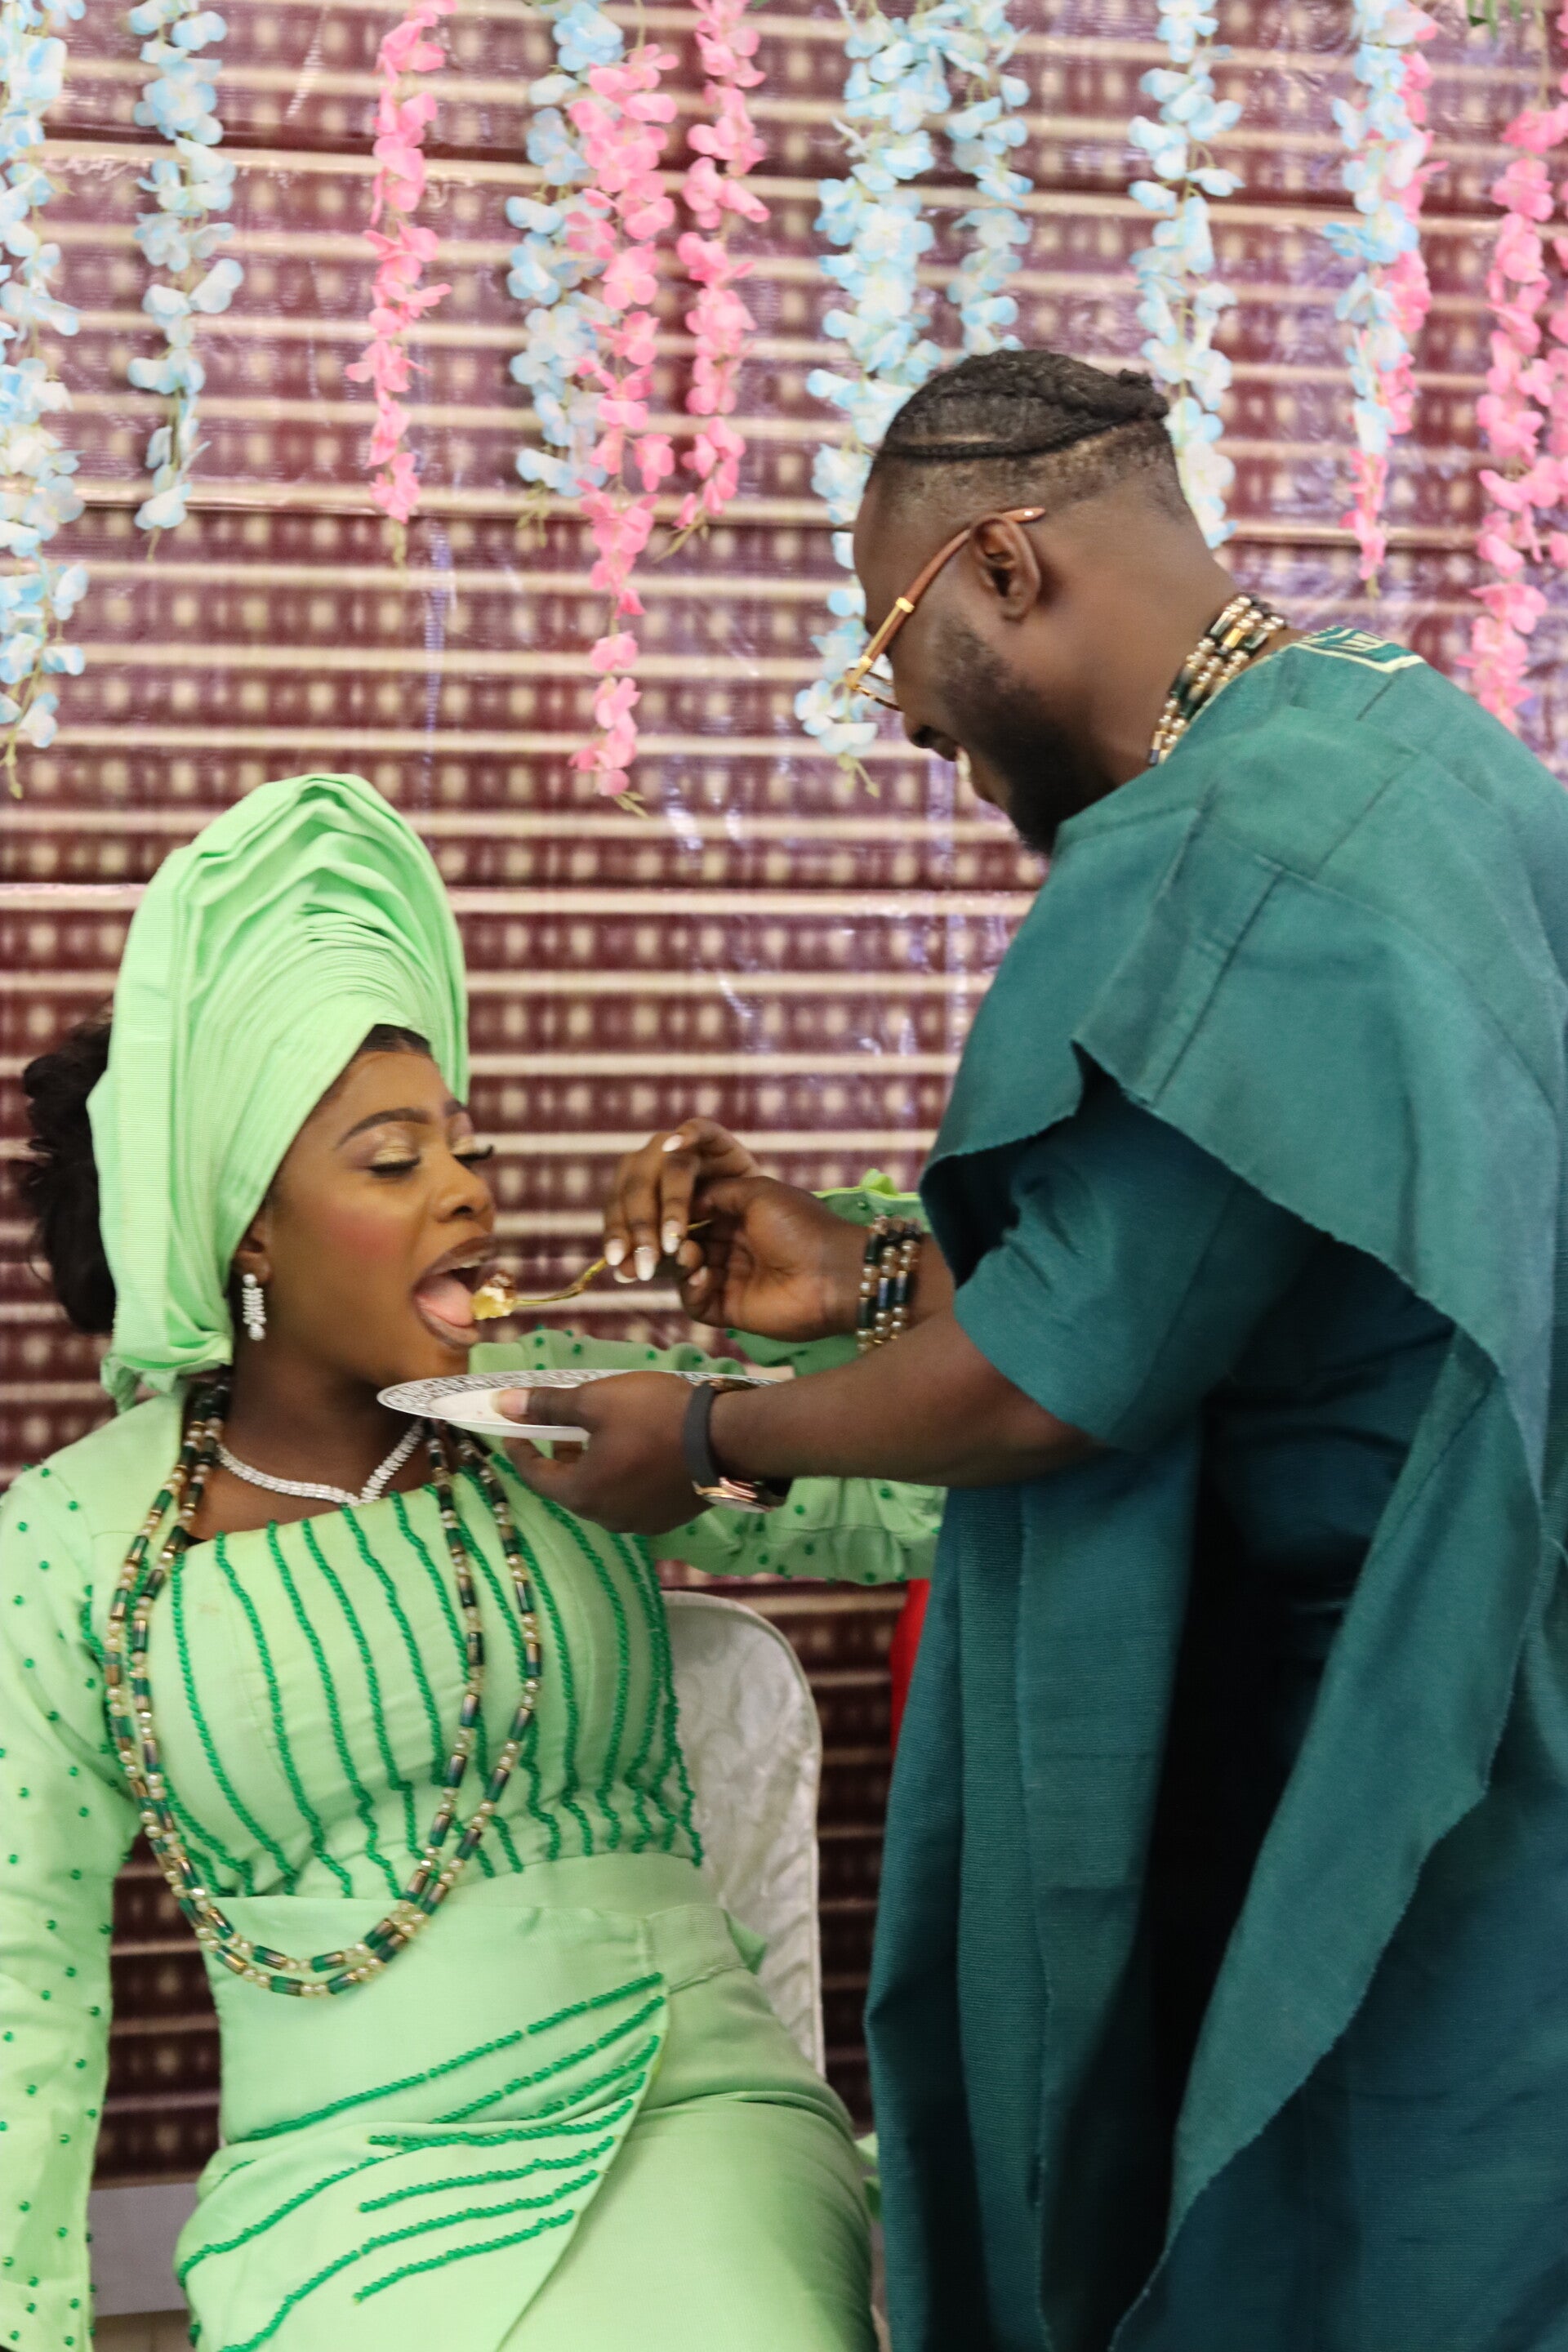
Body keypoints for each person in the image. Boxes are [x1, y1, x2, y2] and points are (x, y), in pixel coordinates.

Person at [495, 349, 1568, 2352]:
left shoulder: (1232, 852)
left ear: (1004, 565)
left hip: (1390, 1736)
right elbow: (1242, 1242)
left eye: (897, 657)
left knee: (1345, 2246)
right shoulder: (1396, 743)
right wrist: (864, 1275)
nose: (919, 733)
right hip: (1485, 1647)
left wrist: (712, 1438)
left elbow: (1061, 1373)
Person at [0, 771, 942, 2352]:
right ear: (246, 1226)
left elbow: (939, 1496)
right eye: (393, 1162)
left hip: (690, 2125)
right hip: (335, 2199)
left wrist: (856, 1281)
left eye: (465, 1148)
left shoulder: (571, 1416)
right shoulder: (71, 1547)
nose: (468, 1191)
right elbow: (18, 2004)